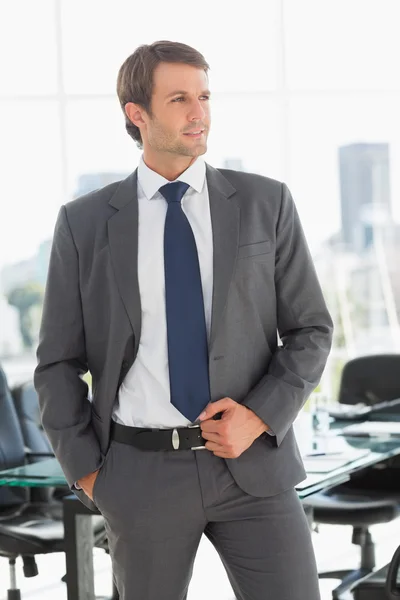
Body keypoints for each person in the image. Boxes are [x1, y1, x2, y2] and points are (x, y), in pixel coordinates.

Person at [34, 40, 333, 600]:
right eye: (179, 99)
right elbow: (56, 363)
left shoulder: (265, 203)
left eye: (204, 96)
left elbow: (311, 330)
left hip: (253, 468)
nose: (200, 113)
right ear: (137, 114)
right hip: (138, 473)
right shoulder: (85, 223)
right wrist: (89, 472)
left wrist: (261, 416)